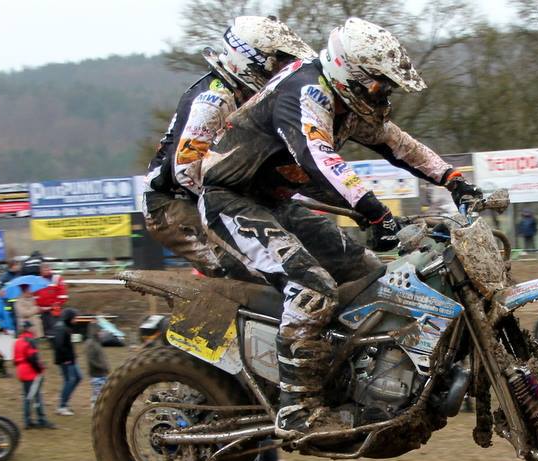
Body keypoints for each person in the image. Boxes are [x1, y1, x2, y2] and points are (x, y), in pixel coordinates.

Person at [199, 18, 484, 437]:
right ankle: (296, 408)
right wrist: (377, 213)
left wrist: (453, 179)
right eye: (380, 86)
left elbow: (399, 145)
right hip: (230, 203)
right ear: (353, 74)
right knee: (312, 285)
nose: (384, 96)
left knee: (369, 271)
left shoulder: (346, 103)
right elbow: (319, 159)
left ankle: (349, 376)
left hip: (276, 204)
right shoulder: (305, 91)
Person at [143, 16, 315, 278]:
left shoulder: (252, 97)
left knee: (307, 248)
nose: (284, 72)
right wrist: (245, 199)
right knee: (248, 266)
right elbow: (186, 171)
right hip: (173, 202)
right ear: (252, 61)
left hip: (227, 193)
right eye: (279, 64)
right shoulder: (215, 100)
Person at [14, 320, 55, 429]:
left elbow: (15, 359)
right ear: (28, 328)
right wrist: (40, 369)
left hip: (21, 371)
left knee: (27, 396)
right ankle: (41, 420)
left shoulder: (18, 341)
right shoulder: (30, 341)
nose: (34, 328)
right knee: (36, 397)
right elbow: (32, 358)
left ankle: (27, 421)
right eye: (32, 327)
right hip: (31, 373)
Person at [53, 308, 81, 416]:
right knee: (69, 380)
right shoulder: (61, 328)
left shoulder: (67, 326)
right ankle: (62, 406)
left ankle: (65, 402)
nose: (76, 320)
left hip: (71, 359)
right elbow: (59, 345)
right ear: (69, 318)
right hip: (65, 360)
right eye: (74, 318)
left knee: (78, 377)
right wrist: (66, 359)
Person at [35, 264, 67, 339]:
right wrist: (37, 306)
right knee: (44, 326)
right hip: (42, 309)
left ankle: (56, 338)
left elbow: (63, 294)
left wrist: (57, 304)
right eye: (43, 270)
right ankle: (46, 338)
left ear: (50, 269)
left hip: (54, 308)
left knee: (54, 326)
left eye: (47, 269)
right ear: (40, 271)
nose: (45, 271)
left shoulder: (57, 278)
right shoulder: (37, 280)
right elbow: (35, 294)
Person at [85, 321, 109, 408]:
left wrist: (105, 366)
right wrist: (102, 367)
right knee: (97, 391)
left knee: (103, 390)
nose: (102, 333)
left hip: (102, 373)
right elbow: (91, 360)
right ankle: (95, 405)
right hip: (96, 374)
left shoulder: (97, 343)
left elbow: (100, 357)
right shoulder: (91, 344)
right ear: (95, 332)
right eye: (100, 332)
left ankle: (97, 403)